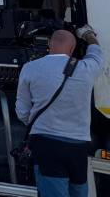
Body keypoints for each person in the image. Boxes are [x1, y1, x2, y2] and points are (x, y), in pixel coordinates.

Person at [15, 26, 104, 197]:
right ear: (72, 50)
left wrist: (39, 123)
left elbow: (22, 111)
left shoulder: (30, 68)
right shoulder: (86, 68)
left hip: (46, 146)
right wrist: (89, 35)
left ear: (49, 44)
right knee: (79, 192)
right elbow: (96, 52)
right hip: (77, 148)